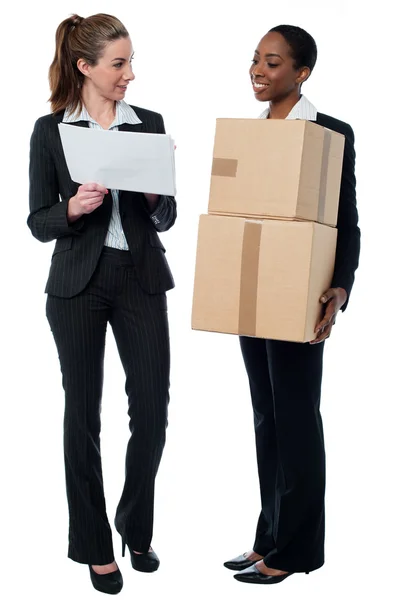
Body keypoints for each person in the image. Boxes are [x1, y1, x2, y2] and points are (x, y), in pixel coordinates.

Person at [28, 13, 176, 595]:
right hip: (77, 287)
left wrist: (151, 194)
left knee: (152, 413)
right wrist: (73, 209)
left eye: (131, 62)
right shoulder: (49, 131)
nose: (130, 75)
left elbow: (166, 216)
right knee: (81, 416)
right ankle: (92, 544)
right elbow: (37, 221)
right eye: (119, 64)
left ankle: (135, 525)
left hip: (138, 277)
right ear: (85, 66)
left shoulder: (151, 125)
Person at [223, 25, 360, 585]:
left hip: (302, 293)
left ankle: (297, 550)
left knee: (298, 418)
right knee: (267, 417)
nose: (258, 70)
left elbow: (346, 218)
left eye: (273, 63)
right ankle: (269, 537)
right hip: (253, 289)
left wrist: (341, 285)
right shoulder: (248, 137)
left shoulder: (329, 133)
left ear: (302, 73)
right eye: (256, 59)